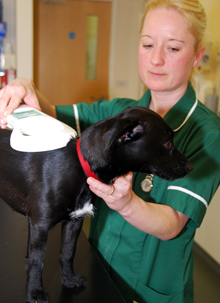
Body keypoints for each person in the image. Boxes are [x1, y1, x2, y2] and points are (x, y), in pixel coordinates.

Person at [0, 0, 220, 302]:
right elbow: (48, 111)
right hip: (97, 269)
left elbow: (173, 223)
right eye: (147, 44)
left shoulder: (208, 133)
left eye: (173, 48)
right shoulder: (118, 113)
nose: (156, 59)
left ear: (198, 56)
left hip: (148, 291)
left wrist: (127, 203)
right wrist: (26, 87)